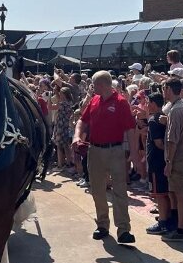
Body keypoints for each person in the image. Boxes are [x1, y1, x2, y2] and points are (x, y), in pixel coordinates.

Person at [73, 71, 137, 244]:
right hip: (95, 150)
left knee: (120, 190)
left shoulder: (121, 102)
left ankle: (123, 229)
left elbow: (131, 129)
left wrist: (134, 153)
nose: (92, 88)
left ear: (103, 84)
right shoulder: (94, 100)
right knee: (97, 189)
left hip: (115, 150)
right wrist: (77, 136)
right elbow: (82, 121)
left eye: (94, 85)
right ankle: (103, 224)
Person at [162, 78, 183, 242]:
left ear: (168, 89)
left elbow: (172, 140)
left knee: (180, 194)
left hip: (178, 159)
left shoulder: (176, 110)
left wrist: (169, 162)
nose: (163, 91)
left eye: (164, 88)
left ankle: (182, 229)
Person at [145, 93, 172, 234]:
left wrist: (166, 151)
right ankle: (166, 218)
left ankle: (162, 223)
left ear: (154, 104)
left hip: (157, 162)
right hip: (164, 161)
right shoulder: (165, 118)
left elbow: (159, 143)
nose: (147, 105)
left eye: (148, 102)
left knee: (160, 194)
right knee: (165, 193)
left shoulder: (154, 120)